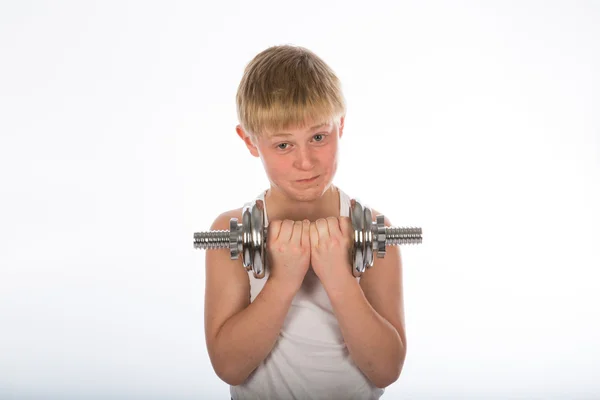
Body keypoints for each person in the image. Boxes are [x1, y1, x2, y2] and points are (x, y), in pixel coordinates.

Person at [204, 45, 406, 399]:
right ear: (250, 141)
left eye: (318, 137)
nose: (306, 162)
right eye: (283, 145)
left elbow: (386, 369)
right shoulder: (229, 232)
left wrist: (339, 277)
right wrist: (283, 279)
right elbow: (229, 367)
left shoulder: (375, 230)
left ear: (340, 125)